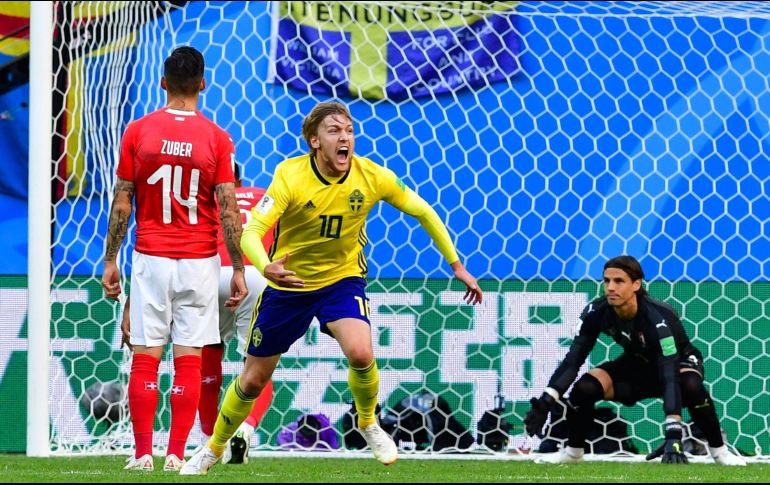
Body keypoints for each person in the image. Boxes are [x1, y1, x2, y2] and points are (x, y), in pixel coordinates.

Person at [180, 101, 484, 475]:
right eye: (334, 131)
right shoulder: (290, 176)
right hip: (289, 285)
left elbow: (422, 210)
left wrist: (456, 265)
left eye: (349, 131)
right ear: (314, 141)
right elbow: (252, 232)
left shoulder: (371, 176)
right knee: (253, 379)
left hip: (341, 281)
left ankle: (368, 422)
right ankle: (212, 448)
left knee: (361, 352)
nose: (345, 138)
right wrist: (266, 266)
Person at [101, 45, 248, 472]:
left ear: (163, 82)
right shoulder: (217, 137)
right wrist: (238, 268)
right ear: (203, 84)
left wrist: (110, 259)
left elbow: (123, 202)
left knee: (146, 356)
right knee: (188, 357)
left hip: (151, 257)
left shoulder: (138, 131)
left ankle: (142, 453)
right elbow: (228, 209)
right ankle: (176, 453)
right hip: (200, 261)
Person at [524, 255, 746, 466]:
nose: (611, 287)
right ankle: (573, 453)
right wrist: (547, 401)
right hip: (638, 365)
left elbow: (669, 373)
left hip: (677, 364)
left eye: (619, 281)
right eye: (607, 281)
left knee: (690, 385)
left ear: (636, 285)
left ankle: (720, 452)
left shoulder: (659, 319)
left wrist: (673, 434)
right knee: (586, 387)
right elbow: (573, 360)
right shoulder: (596, 312)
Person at [198, 162, 275, 465]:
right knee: (257, 366)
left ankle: (207, 438)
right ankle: (245, 427)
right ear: (241, 180)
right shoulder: (264, 195)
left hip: (213, 272)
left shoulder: (209, 201)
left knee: (208, 354)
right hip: (256, 274)